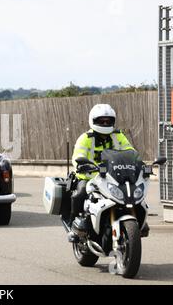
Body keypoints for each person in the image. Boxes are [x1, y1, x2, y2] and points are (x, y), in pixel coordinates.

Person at [67, 104, 135, 243]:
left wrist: (138, 161)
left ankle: (137, 222)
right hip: (89, 177)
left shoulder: (118, 136)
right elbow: (77, 156)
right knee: (79, 194)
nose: (105, 123)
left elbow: (130, 151)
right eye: (101, 121)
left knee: (132, 192)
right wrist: (82, 165)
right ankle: (72, 226)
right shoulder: (85, 138)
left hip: (113, 176)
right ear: (93, 120)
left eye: (108, 121)